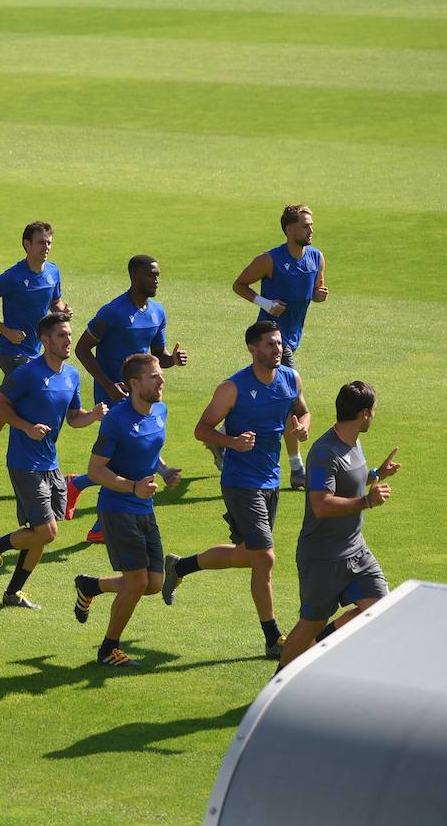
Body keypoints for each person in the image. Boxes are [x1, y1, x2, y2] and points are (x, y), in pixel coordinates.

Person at [161, 321, 310, 659]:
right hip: (241, 482)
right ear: (253, 349)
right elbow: (202, 429)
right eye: (270, 344)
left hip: (270, 480)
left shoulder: (290, 379)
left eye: (279, 343)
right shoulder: (233, 388)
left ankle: (180, 567)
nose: (278, 349)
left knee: (247, 553)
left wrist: (302, 427)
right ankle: (273, 639)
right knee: (265, 557)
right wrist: (231, 443)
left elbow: (303, 411)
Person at [0, 313, 106, 610]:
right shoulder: (27, 374)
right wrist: (25, 426)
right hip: (24, 462)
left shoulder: (72, 375)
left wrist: (94, 415)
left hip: (50, 463)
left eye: (69, 335)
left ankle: (13, 593)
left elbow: (74, 418)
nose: (68, 340)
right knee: (47, 530)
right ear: (46, 341)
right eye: (62, 335)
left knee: (40, 534)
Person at [275, 381, 401, 672]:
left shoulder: (354, 440)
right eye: (373, 411)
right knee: (311, 622)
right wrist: (366, 502)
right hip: (323, 557)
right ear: (364, 414)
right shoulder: (324, 453)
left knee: (379, 608)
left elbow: (349, 479)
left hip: (355, 550)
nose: (374, 415)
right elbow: (321, 504)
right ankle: (279, 681)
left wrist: (376, 474)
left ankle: (317, 646)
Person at [71, 354, 182, 668]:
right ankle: (108, 650)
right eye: (154, 377)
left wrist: (164, 470)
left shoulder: (160, 410)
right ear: (135, 384)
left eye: (160, 375)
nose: (162, 381)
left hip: (144, 507)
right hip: (118, 508)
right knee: (135, 583)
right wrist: (133, 487)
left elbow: (152, 447)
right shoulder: (116, 421)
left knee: (153, 584)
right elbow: (95, 470)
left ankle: (90, 586)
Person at [67, 255, 188, 542]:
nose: (156, 280)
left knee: (132, 452)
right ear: (134, 276)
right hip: (114, 396)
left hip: (141, 393)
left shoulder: (157, 313)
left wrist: (173, 360)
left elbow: (157, 356)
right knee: (121, 458)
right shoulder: (112, 312)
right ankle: (98, 523)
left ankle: (79, 488)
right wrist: (108, 386)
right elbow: (83, 349)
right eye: (151, 275)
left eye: (158, 275)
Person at [0, 221, 69, 491]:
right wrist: (5, 330)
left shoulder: (52, 272)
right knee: (34, 406)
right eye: (41, 243)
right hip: (12, 353)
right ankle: (38, 471)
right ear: (26, 245)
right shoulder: (13, 277)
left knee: (5, 408)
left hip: (35, 352)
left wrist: (64, 310)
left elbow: (56, 302)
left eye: (49, 243)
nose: (46, 248)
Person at [231, 204, 328, 489]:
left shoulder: (316, 258)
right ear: (289, 229)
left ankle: (226, 435)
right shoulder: (269, 260)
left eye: (311, 225)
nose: (311, 230)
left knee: (269, 396)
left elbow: (317, 291)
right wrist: (265, 304)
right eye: (305, 225)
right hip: (272, 341)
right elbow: (239, 284)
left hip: (293, 339)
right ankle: (297, 469)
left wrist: (320, 296)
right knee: (290, 397)